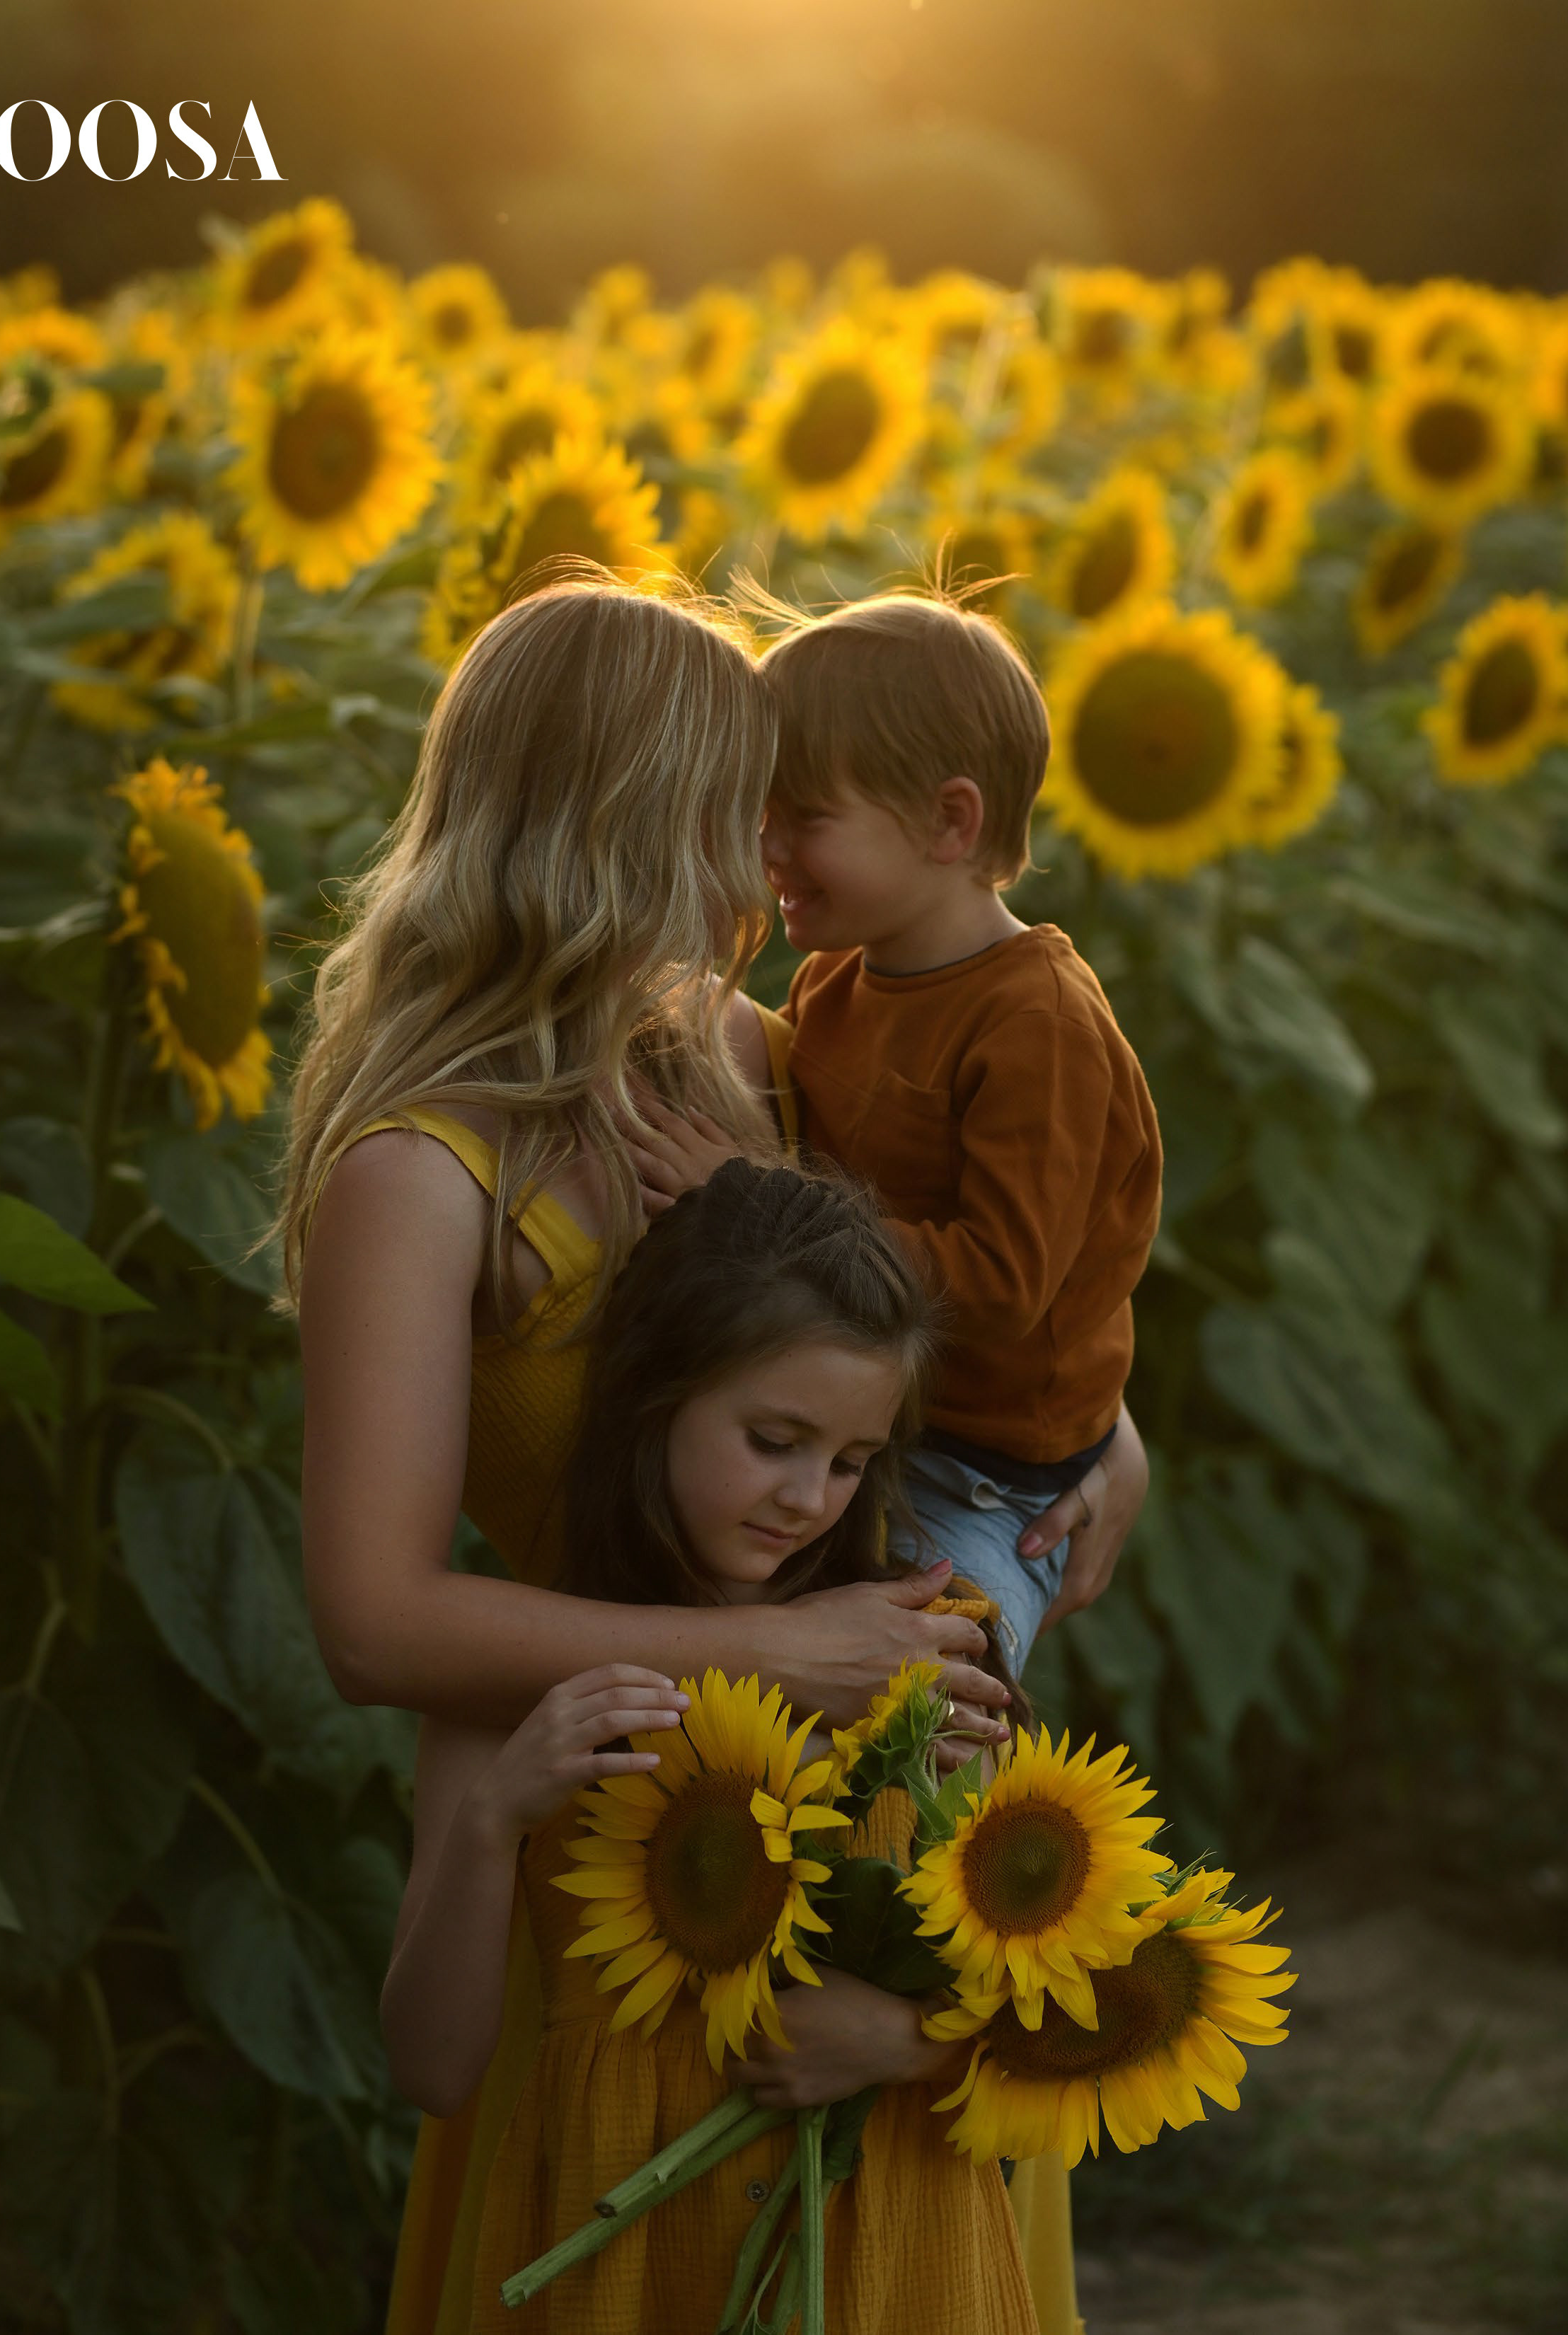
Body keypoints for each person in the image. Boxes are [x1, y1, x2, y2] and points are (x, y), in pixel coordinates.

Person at [286, 576, 1146, 2335]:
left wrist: (1106, 1428)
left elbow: (951, 1280)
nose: (769, 866)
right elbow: (373, 1625)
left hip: (866, 1853)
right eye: (732, 811)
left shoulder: (751, 1059)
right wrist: (781, 1651)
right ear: (616, 821)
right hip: (617, 1873)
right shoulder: (420, 1169)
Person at [381, 1159, 1040, 2334]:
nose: (807, 1498)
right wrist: (495, 1824)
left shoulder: (925, 1662)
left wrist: (904, 2040)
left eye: (847, 1461)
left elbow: (1070, 2017)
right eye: (773, 1438)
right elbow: (432, 2071)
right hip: (615, 2270)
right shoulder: (513, 1688)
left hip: (892, 2269)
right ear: (653, 1398)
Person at [628, 589, 1163, 1685]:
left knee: (921, 1706)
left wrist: (749, 1196)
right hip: (855, 1429)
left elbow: (1005, 1284)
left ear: (949, 823)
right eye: (759, 813)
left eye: (804, 817)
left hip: (983, 1478)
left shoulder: (1036, 1025)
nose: (765, 847)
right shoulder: (837, 978)